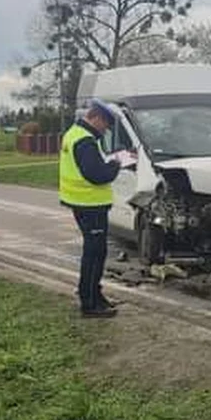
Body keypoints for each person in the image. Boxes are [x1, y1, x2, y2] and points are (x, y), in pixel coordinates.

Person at [59, 100, 134, 318]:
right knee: (94, 254)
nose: (106, 129)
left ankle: (93, 294)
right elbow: (97, 175)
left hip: (82, 202)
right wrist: (117, 164)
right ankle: (90, 303)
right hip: (89, 204)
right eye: (106, 124)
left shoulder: (75, 133)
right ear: (96, 118)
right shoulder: (85, 141)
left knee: (95, 252)